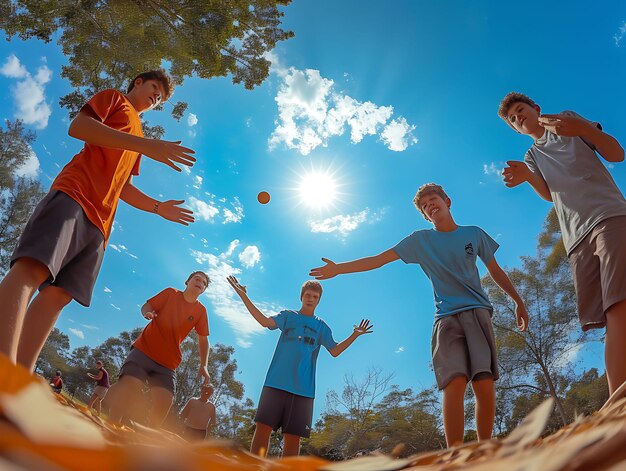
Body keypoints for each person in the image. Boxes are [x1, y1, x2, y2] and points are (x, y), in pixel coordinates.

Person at [0, 69, 196, 371]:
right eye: (155, 88)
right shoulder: (114, 99)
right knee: (32, 269)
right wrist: (144, 146)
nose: (156, 97)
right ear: (137, 82)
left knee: (59, 295)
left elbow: (124, 188)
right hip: (75, 195)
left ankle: (18, 379)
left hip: (101, 226)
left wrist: (158, 207)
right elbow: (79, 127)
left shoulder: (139, 138)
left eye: (161, 98)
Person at [309, 183, 529, 447]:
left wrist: (517, 300)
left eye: (433, 199)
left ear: (447, 201)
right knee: (454, 382)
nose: (430, 206)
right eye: (425, 206)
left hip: (477, 313)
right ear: (425, 216)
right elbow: (379, 259)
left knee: (483, 381)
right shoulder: (420, 240)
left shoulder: (474, 234)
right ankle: (456, 455)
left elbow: (494, 269)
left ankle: (485, 449)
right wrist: (339, 269)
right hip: (446, 319)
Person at [499, 93, 626, 395]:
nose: (519, 118)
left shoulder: (565, 121)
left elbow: (616, 153)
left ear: (536, 109)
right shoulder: (532, 156)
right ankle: (617, 404)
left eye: (521, 110)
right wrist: (528, 176)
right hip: (576, 238)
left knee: (618, 303)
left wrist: (583, 129)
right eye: (513, 119)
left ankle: (617, 402)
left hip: (608, 215)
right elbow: (548, 193)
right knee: (610, 314)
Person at [227, 276, 373, 457]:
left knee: (293, 438)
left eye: (315, 297)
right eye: (308, 295)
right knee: (263, 428)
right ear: (301, 297)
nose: (311, 299)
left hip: (303, 390)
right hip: (276, 383)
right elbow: (265, 321)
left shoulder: (322, 327)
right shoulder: (288, 316)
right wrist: (243, 296)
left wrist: (354, 335)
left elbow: (334, 351)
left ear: (319, 300)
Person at [105, 272, 211, 427]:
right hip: (144, 351)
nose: (200, 282)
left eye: (203, 283)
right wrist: (147, 313)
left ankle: (146, 439)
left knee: (165, 401)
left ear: (203, 290)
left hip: (167, 362)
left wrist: (204, 365)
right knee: (130, 386)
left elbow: (203, 339)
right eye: (197, 279)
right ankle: (111, 426)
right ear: (187, 281)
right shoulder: (170, 293)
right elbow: (147, 306)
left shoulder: (201, 311)